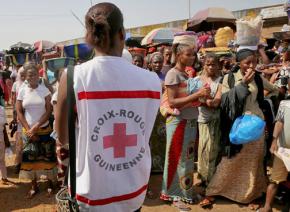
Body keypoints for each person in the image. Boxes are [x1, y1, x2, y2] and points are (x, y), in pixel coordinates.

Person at [55, 3, 161, 212]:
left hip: (92, 193)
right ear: (122, 33)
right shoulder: (151, 80)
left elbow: (63, 138)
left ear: (89, 36)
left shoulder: (73, 76)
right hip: (134, 190)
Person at [204, 49, 279, 208]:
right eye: (247, 63)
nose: (251, 66)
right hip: (237, 126)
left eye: (254, 62)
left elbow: (274, 89)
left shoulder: (258, 78)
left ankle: (251, 195)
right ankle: (215, 191)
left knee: (253, 163)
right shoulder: (229, 78)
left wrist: (262, 103)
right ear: (239, 63)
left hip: (256, 126)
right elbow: (224, 100)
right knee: (230, 160)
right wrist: (243, 84)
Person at [160, 32, 210, 209]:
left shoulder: (187, 74)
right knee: (177, 159)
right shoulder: (173, 74)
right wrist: (197, 94)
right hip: (178, 122)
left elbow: (189, 98)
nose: (192, 57)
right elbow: (173, 102)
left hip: (189, 121)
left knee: (187, 159)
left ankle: (185, 192)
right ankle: (174, 195)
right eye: (188, 54)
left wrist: (202, 96)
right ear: (178, 54)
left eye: (193, 53)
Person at [16, 62, 56, 198]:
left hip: (44, 130)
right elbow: (19, 111)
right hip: (28, 131)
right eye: (29, 75)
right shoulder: (22, 89)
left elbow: (49, 109)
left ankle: (50, 184)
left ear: (37, 74)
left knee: (47, 157)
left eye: (34, 74)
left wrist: (36, 127)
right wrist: (29, 129)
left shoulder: (44, 89)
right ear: (25, 76)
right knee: (30, 159)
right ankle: (34, 186)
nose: (31, 77)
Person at [188, 54, 222, 188]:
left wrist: (204, 100)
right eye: (208, 64)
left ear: (218, 65)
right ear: (204, 65)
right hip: (201, 119)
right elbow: (192, 98)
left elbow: (216, 102)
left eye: (213, 64)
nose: (211, 67)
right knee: (202, 148)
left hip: (216, 120)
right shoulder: (197, 80)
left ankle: (210, 178)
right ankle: (203, 176)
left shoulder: (221, 80)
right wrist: (203, 99)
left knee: (212, 148)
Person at [259, 99, 290, 212]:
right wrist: (274, 141)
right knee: (275, 179)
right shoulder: (284, 104)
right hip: (283, 150)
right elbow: (279, 122)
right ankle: (267, 207)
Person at [11, 67, 27, 172]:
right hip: (19, 116)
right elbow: (13, 100)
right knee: (19, 141)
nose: (22, 76)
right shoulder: (16, 85)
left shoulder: (30, 85)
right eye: (21, 74)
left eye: (24, 74)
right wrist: (14, 116)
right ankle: (18, 164)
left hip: (29, 115)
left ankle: (27, 163)